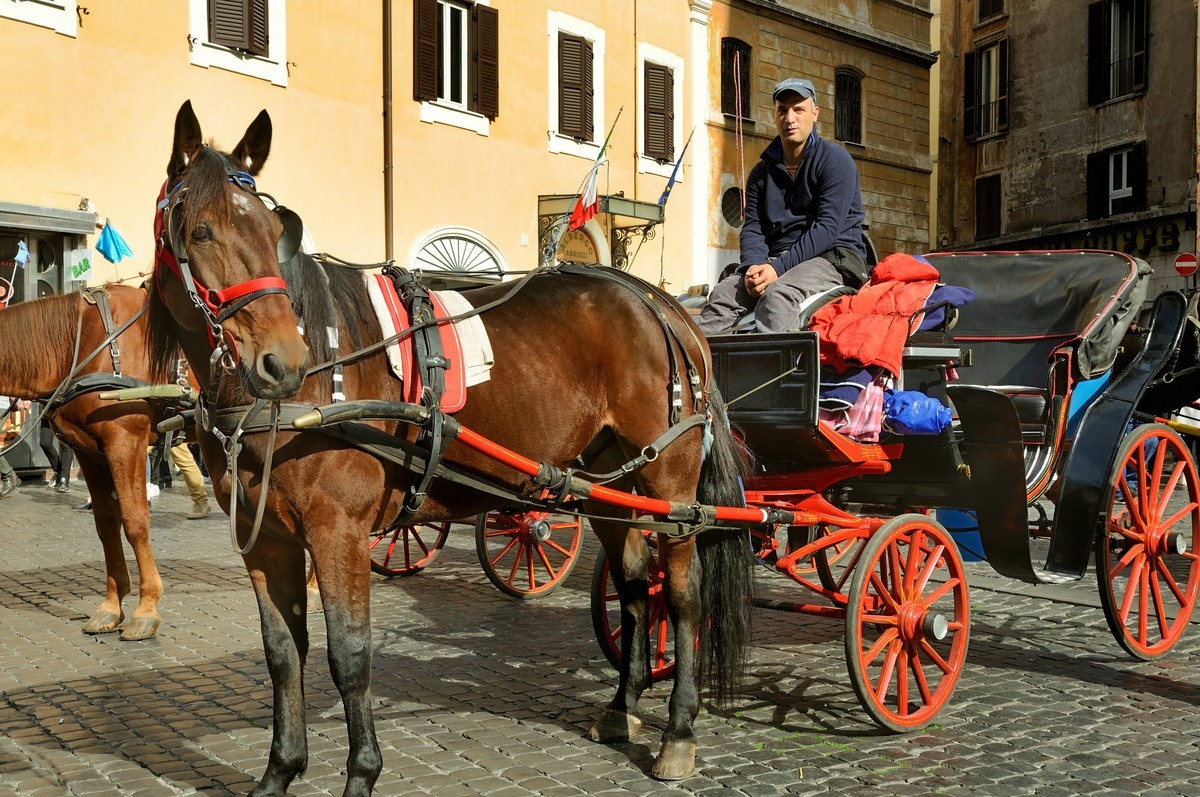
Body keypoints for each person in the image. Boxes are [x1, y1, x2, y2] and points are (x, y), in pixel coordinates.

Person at [698, 77, 869, 335]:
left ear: (815, 113)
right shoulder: (761, 173)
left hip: (832, 258)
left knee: (777, 296)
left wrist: (776, 270)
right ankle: (705, 374)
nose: (790, 118)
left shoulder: (836, 161)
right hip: (776, 260)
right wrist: (754, 267)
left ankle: (777, 375)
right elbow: (753, 228)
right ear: (775, 115)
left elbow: (826, 228)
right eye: (782, 110)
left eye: (798, 109)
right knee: (722, 294)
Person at [39, 414, 73, 493]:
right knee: (45, 443)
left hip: (63, 410)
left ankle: (64, 479)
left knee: (65, 445)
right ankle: (58, 473)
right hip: (47, 411)